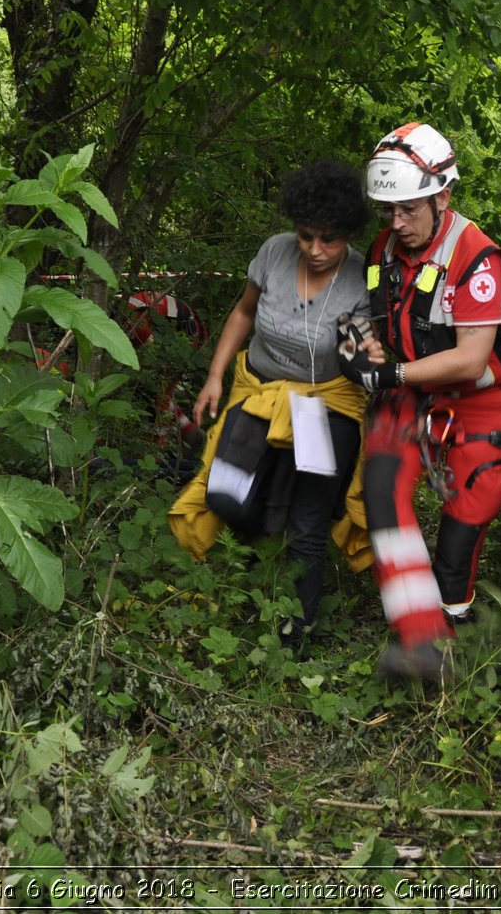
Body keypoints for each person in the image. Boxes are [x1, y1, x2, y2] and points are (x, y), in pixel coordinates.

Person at [336, 122, 501, 684]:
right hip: (409, 392)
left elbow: (471, 358)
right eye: (387, 211)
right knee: (382, 485)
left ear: (443, 195)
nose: (396, 224)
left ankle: (451, 618)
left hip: (476, 398)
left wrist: (390, 369)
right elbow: (371, 315)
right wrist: (356, 345)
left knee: (468, 515)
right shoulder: (385, 248)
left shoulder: (476, 258)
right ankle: (422, 636)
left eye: (409, 210)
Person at [168, 159, 373, 652]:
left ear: (348, 234)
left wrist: (368, 352)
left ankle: (296, 632)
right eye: (306, 236)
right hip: (259, 389)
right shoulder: (274, 253)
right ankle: (258, 545)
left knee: (308, 523)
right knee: (225, 494)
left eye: (330, 240)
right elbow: (243, 311)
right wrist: (215, 376)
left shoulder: (363, 277)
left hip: (324, 404)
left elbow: (364, 356)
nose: (316, 250)